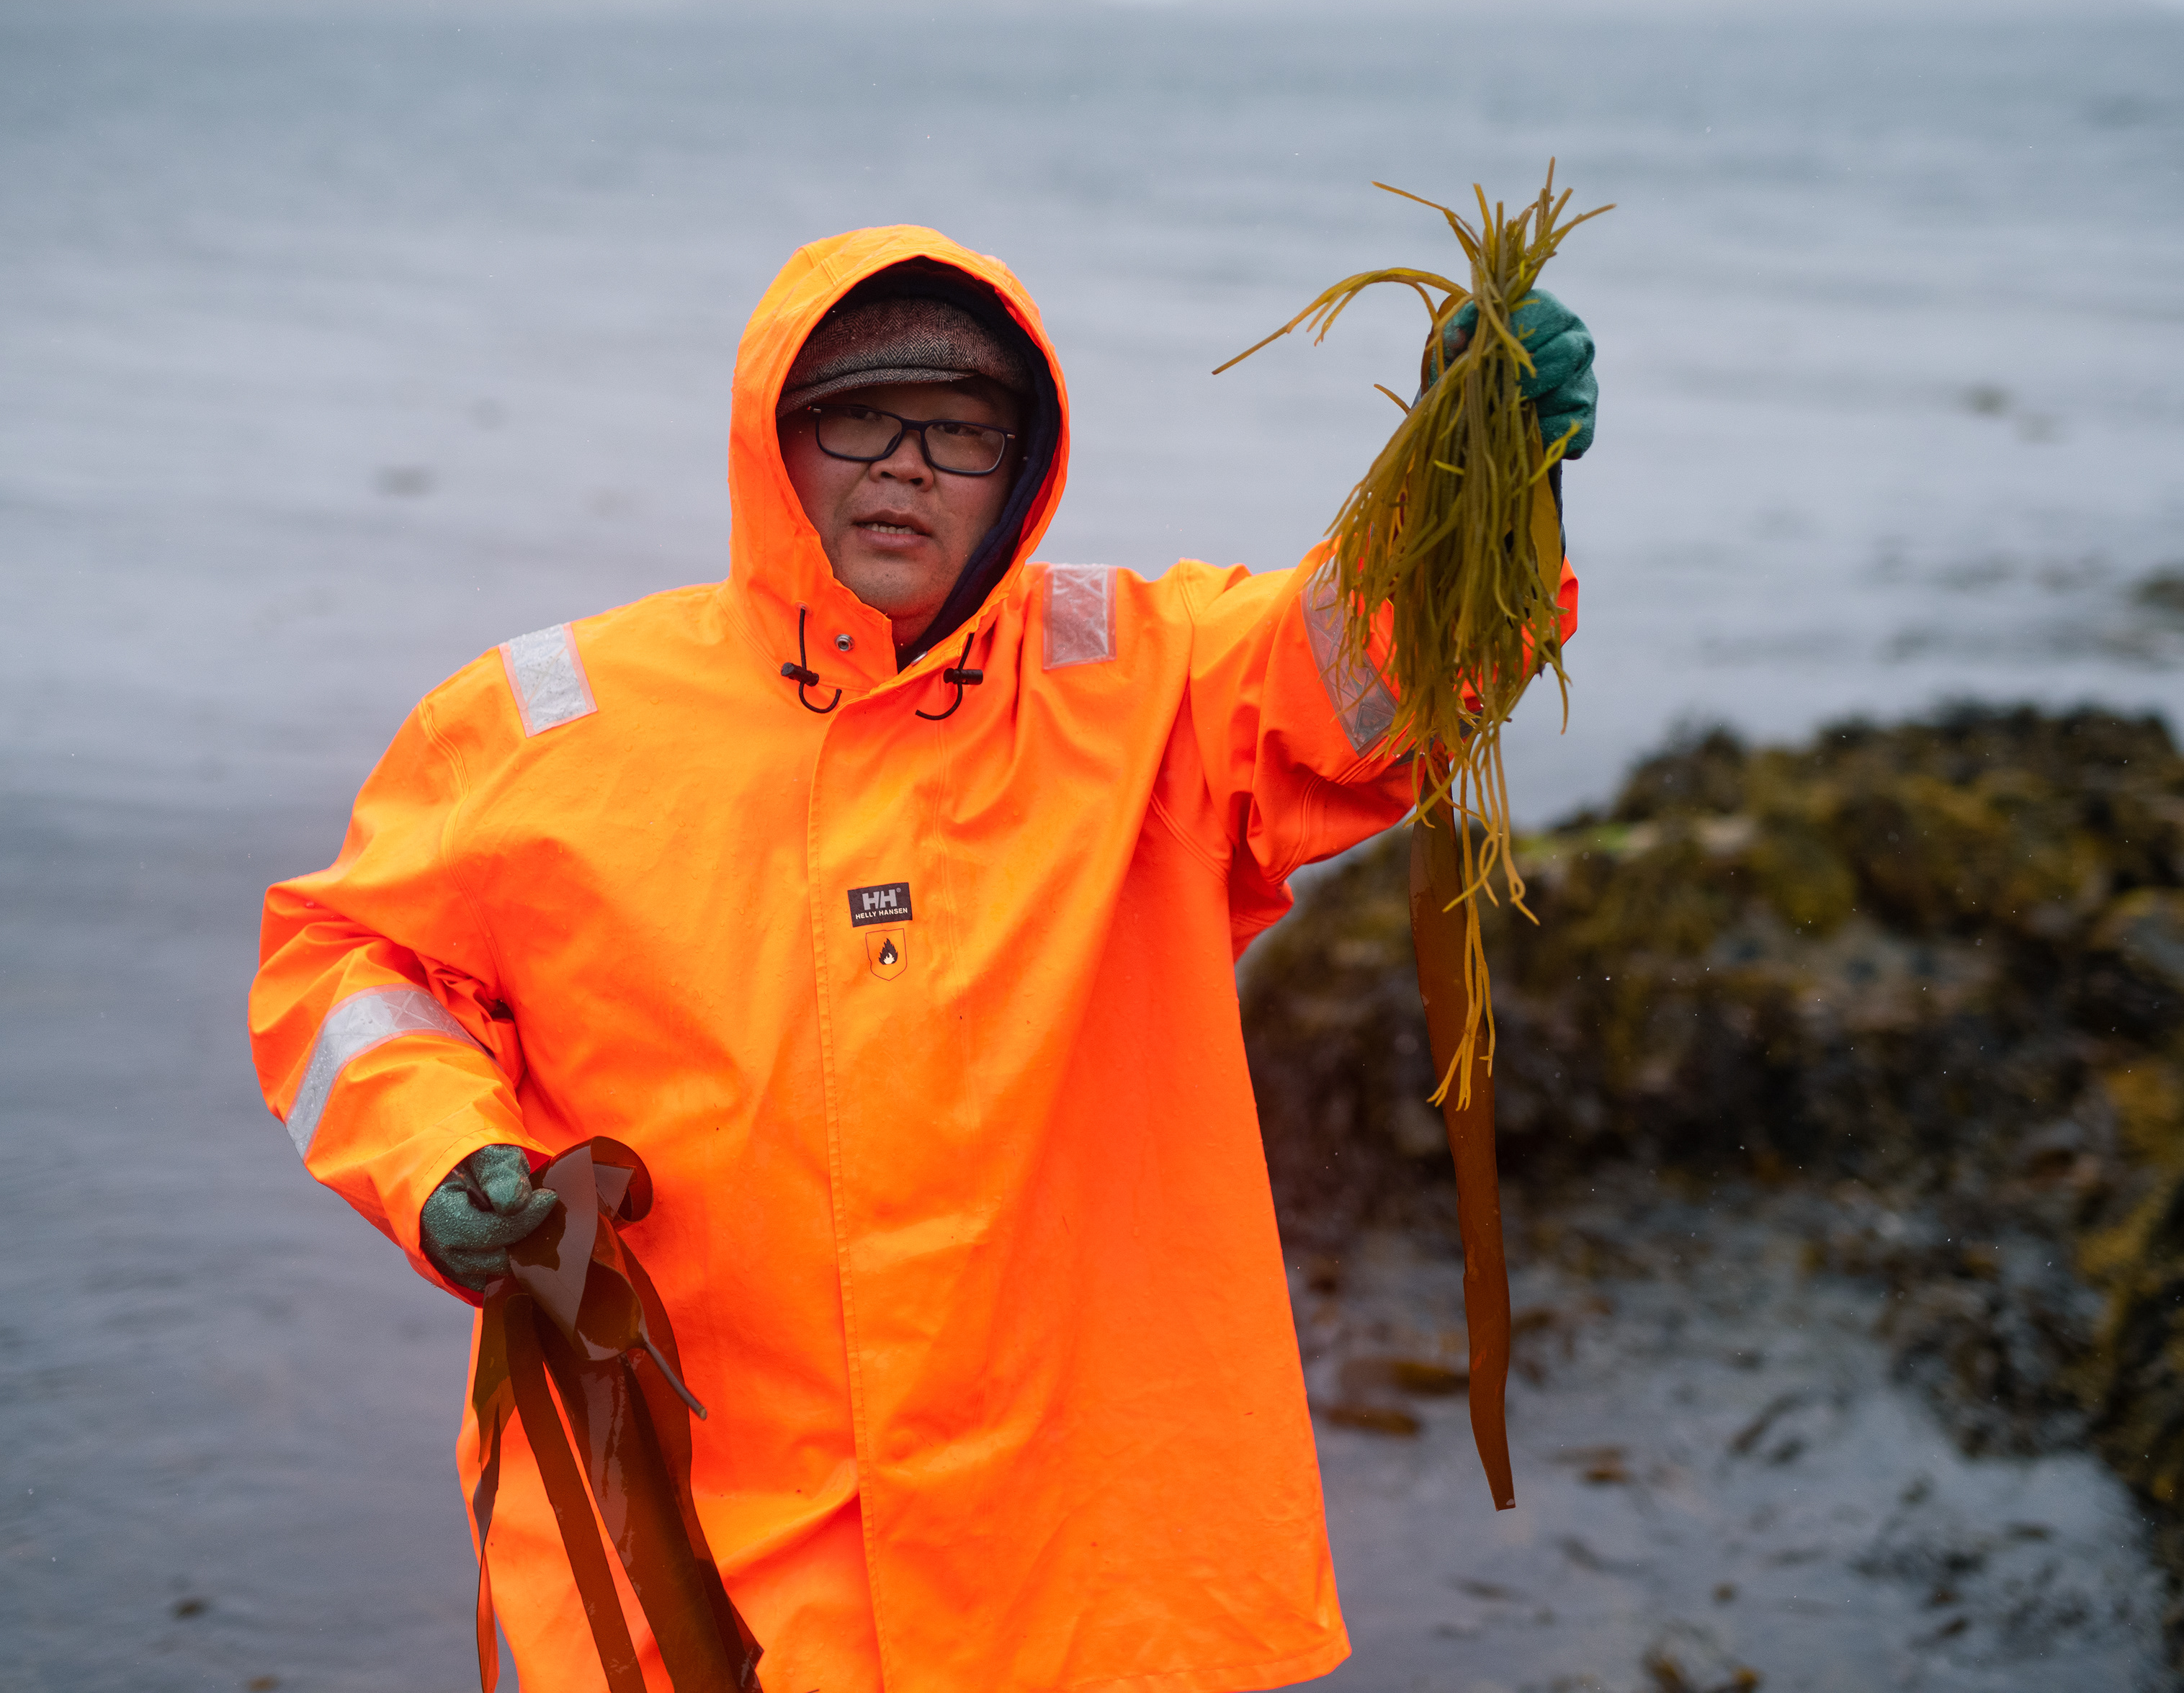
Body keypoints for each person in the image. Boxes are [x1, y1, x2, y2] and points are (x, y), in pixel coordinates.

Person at [249, 224, 1595, 1693]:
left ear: (1021, 471)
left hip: (1078, 1582)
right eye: (858, 418)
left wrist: (1487, 482)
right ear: (776, 444)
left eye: (960, 432)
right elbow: (349, 959)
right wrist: (439, 1154)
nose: (904, 465)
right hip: (704, 1565)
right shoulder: (541, 725)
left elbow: (1378, 673)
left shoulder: (1139, 687)